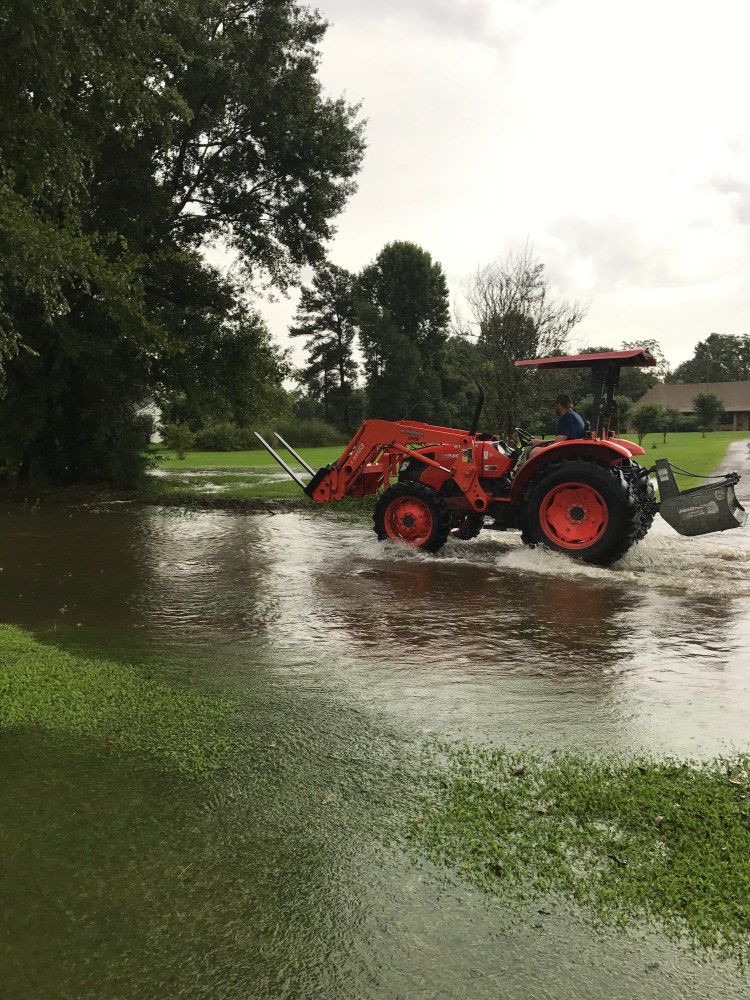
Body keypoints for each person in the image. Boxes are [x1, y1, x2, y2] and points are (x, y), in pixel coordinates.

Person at [526, 393, 586, 460]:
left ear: (559, 404)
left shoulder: (565, 418)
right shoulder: (574, 415)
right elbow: (560, 440)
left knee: (533, 452)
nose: (554, 408)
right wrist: (541, 442)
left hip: (569, 452)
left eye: (555, 405)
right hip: (573, 449)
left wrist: (538, 442)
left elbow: (557, 444)